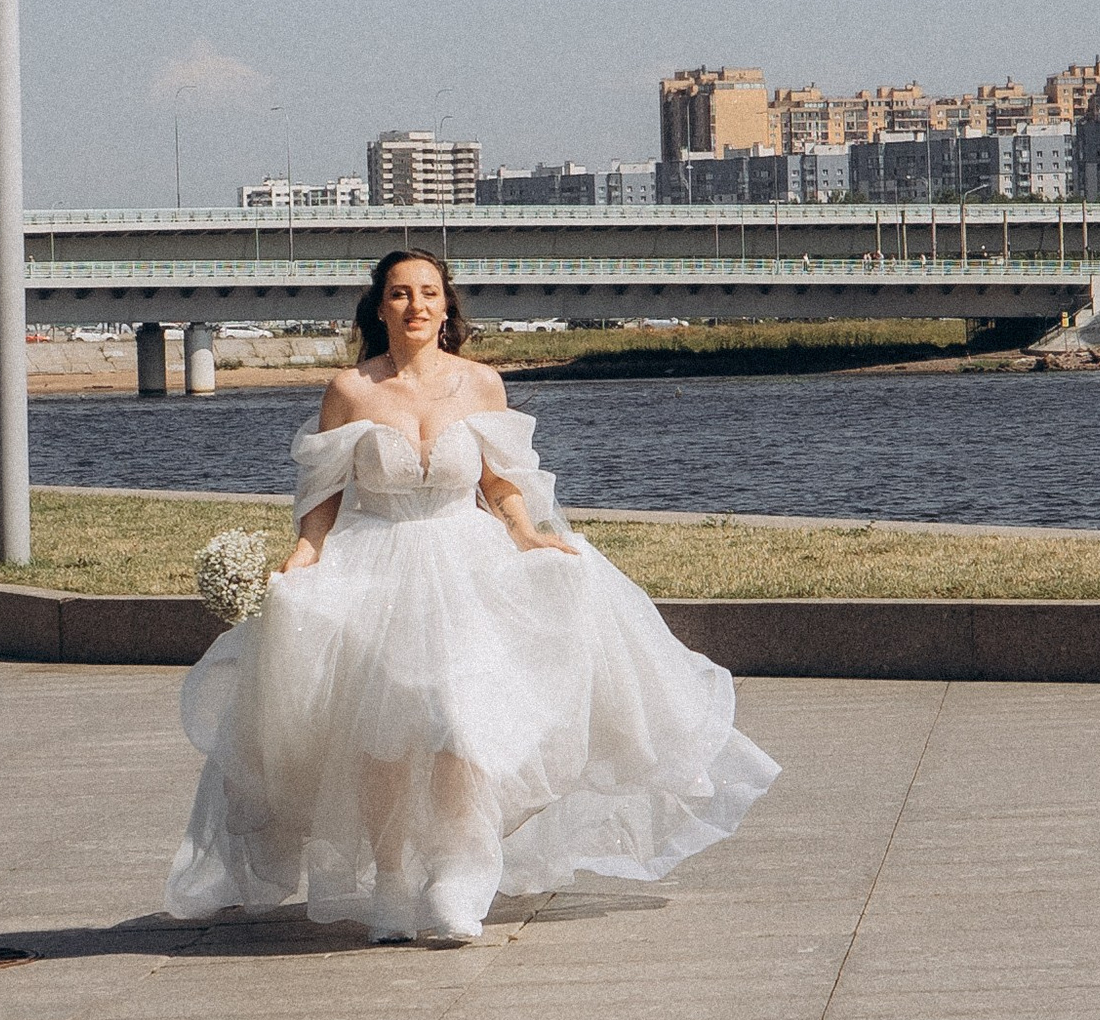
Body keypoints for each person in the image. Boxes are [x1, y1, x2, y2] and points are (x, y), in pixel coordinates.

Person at [166, 248, 778, 944]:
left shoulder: (481, 384)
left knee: (459, 719)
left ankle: (456, 873)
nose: (416, 305)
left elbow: (500, 479)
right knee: (383, 736)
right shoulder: (350, 391)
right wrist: (305, 554)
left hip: (464, 563)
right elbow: (323, 493)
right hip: (376, 567)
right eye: (400, 294)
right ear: (379, 308)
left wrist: (526, 533)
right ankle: (392, 878)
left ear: (446, 306)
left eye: (429, 293)